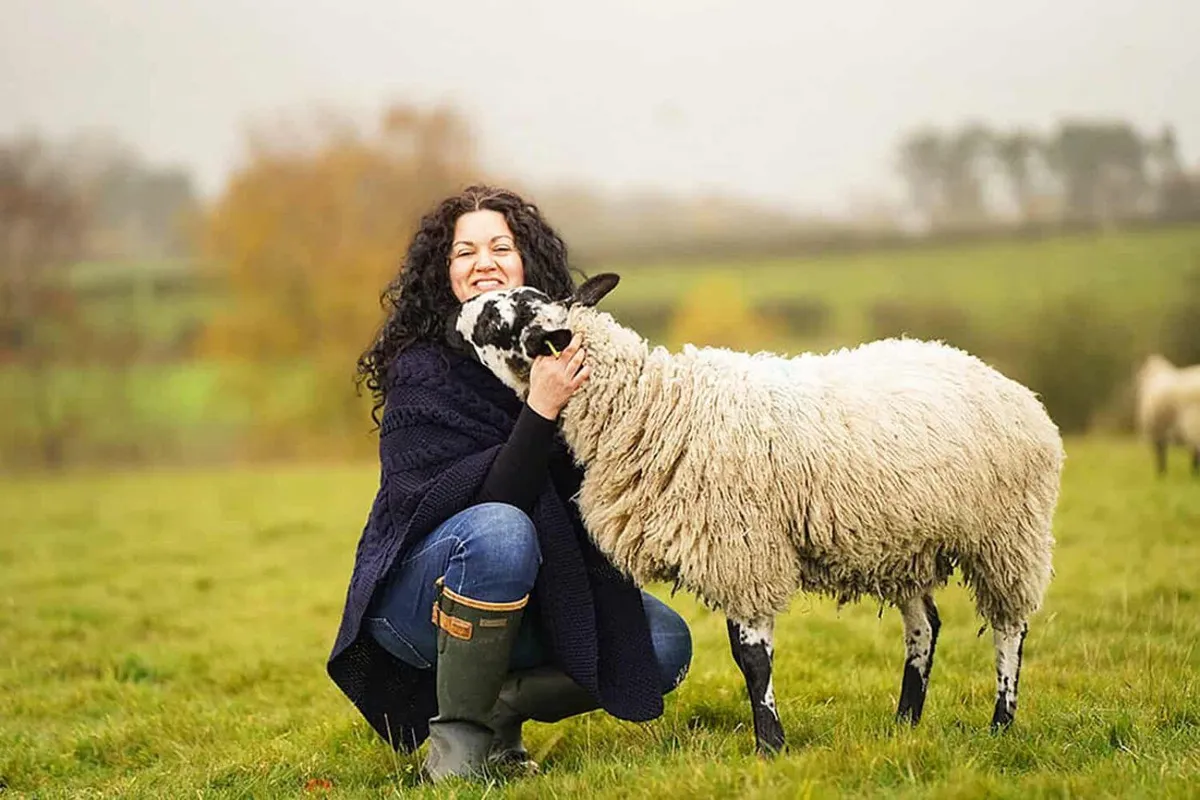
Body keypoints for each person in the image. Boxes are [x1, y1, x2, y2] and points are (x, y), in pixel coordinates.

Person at [327, 185, 692, 782]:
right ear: (443, 274)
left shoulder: (562, 353)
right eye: (464, 252)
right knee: (500, 529)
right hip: (421, 607)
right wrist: (541, 408)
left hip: (538, 590)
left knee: (663, 644)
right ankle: (458, 754)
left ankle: (497, 707)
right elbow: (493, 500)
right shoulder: (422, 371)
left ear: (527, 262)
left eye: (501, 246)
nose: (484, 262)